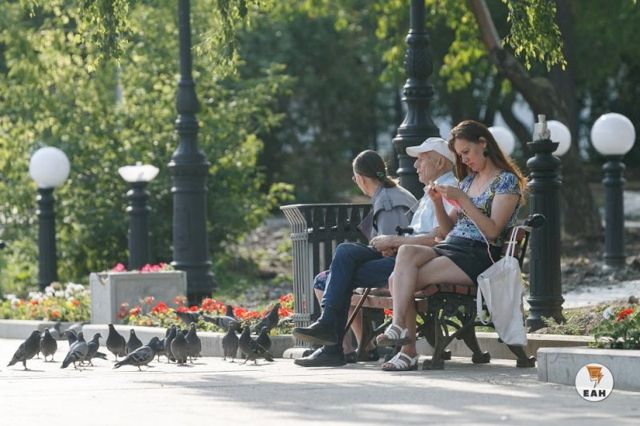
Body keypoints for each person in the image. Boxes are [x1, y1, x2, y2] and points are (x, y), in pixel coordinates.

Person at [376, 120, 528, 372]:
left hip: (479, 254)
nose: (464, 160)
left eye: (466, 152)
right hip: (452, 246)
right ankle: (400, 330)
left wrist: (463, 199)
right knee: (406, 251)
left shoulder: (506, 181)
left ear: (483, 143)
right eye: (460, 155)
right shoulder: (468, 182)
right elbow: (446, 231)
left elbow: (492, 231)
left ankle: (406, 348)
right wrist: (437, 202)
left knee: (397, 280)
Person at [293, 139, 457, 367]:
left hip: (413, 263)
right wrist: (394, 243)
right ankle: (331, 331)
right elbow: (418, 235)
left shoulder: (447, 191)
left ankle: (333, 343)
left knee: (335, 277)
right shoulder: (430, 191)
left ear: (439, 162)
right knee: (345, 252)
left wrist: (393, 241)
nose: (415, 165)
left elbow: (440, 238)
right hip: (405, 256)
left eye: (421, 159)